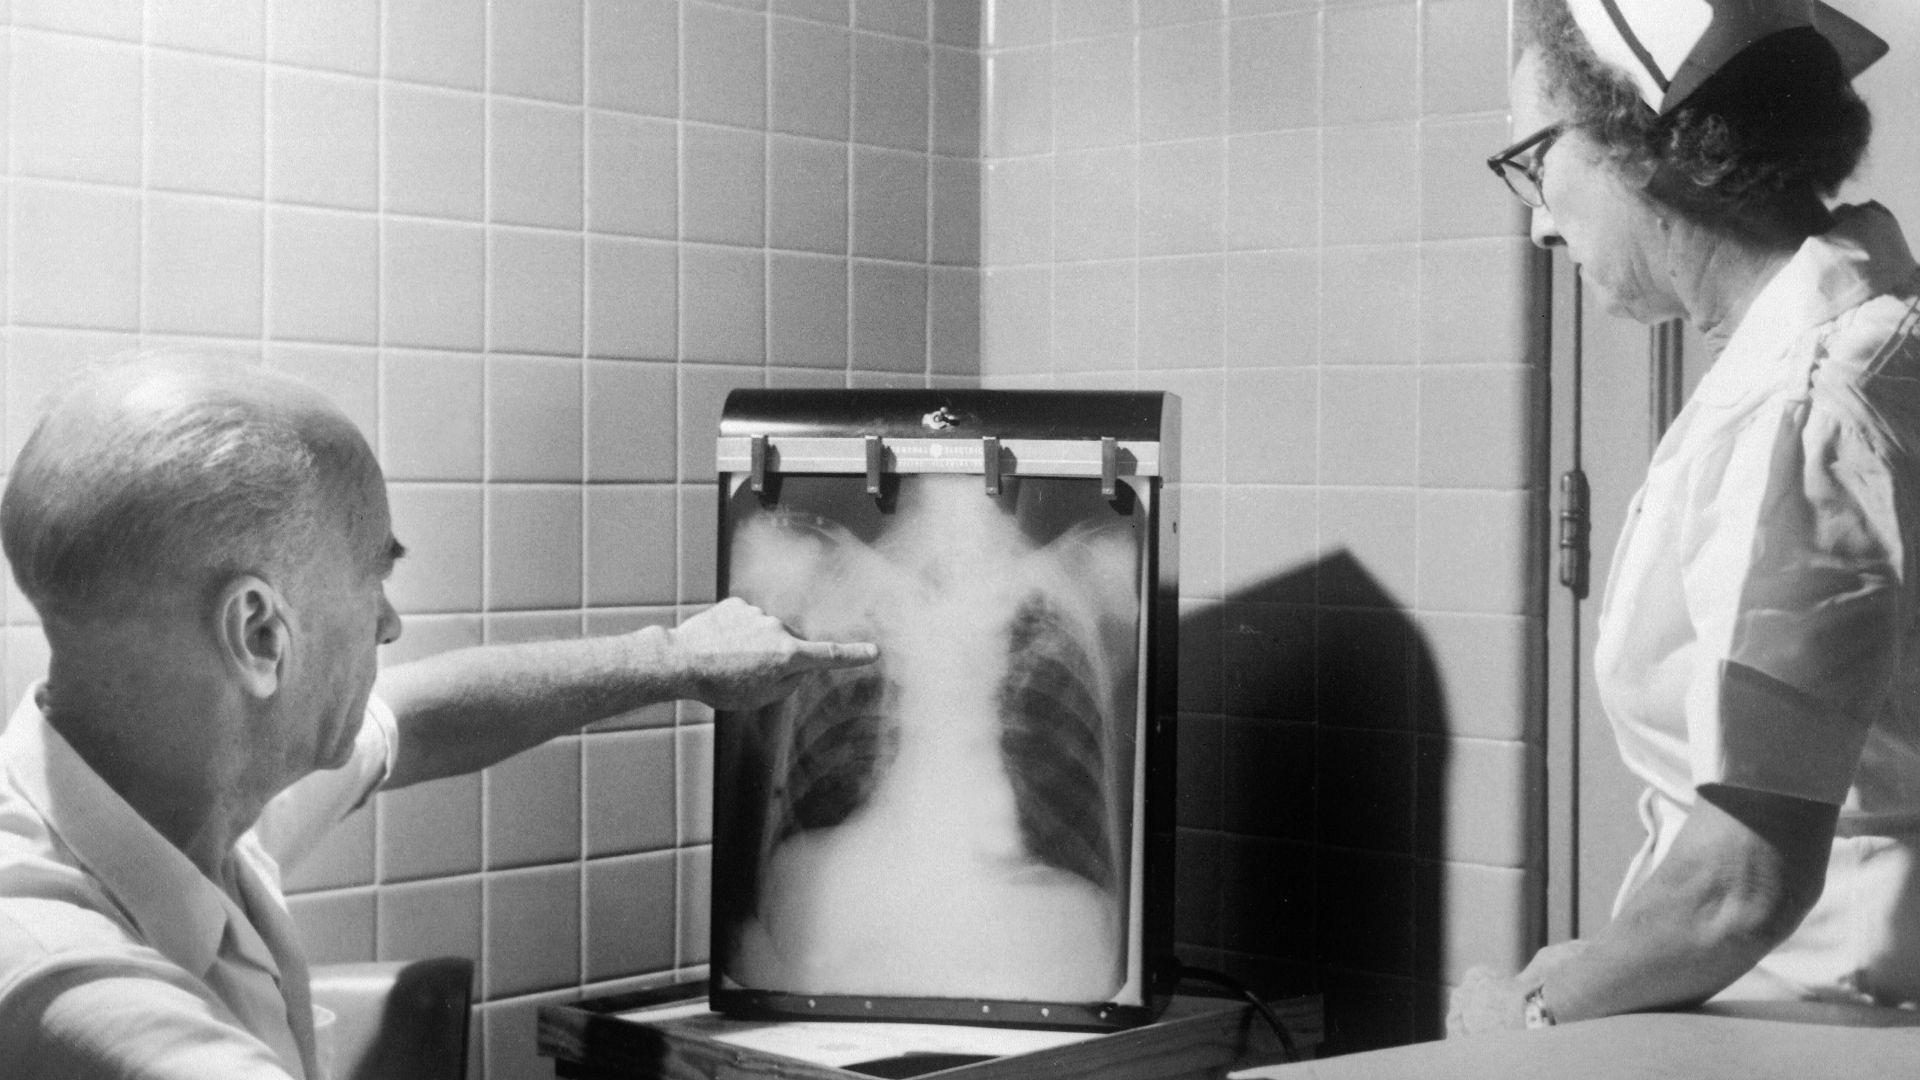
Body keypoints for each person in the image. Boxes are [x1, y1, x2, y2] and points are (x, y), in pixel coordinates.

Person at [0, 354, 879, 1077]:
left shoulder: (176, 786)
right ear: (261, 632)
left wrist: (678, 660)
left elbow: (413, 720)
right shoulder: (72, 991)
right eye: (372, 579)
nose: (390, 623)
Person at [1451, 0, 1920, 1033]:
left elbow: (1740, 883)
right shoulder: (1866, 350)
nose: (1536, 218)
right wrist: (1611, 958)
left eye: (1535, 159)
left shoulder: (1811, 410)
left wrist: (1523, 1010)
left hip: (1829, 1024)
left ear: (1647, 143)